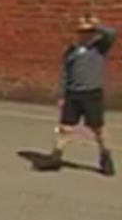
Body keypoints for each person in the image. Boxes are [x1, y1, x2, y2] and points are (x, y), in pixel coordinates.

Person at [36, 15, 116, 176]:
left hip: (91, 93)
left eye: (89, 32)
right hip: (73, 94)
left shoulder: (99, 47)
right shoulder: (71, 51)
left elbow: (111, 34)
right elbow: (65, 74)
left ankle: (105, 157)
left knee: (97, 128)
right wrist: (62, 95)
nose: (85, 35)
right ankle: (55, 157)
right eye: (82, 31)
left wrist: (96, 25)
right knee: (65, 127)